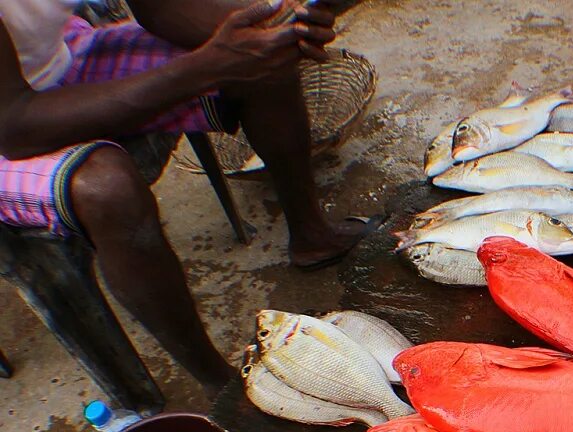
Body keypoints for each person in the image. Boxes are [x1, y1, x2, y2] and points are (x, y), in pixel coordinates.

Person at [0, 0, 368, 395]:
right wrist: (205, 67)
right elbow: (17, 125)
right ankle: (221, 386)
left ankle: (312, 236)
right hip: (12, 121)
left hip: (59, 59)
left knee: (262, 55)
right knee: (108, 190)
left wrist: (279, 28)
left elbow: (156, 7)